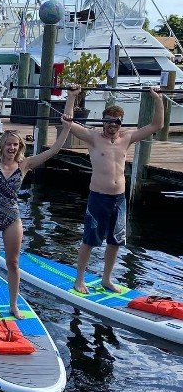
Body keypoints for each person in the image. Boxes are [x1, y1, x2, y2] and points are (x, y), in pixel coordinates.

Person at [0, 110, 73, 317]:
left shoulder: (24, 165)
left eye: (16, 145)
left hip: (12, 218)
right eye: (9, 144)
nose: (12, 148)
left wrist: (67, 128)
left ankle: (13, 305)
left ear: (20, 147)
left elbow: (53, 150)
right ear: (2, 146)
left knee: (13, 263)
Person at [63, 84, 164, 294]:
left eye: (116, 123)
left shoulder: (126, 138)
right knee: (90, 240)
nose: (112, 126)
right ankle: (79, 279)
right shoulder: (93, 138)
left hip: (119, 199)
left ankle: (106, 279)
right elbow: (68, 123)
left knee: (115, 241)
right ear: (103, 121)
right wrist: (72, 97)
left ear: (120, 123)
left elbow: (156, 124)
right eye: (108, 122)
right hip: (98, 197)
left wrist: (158, 98)